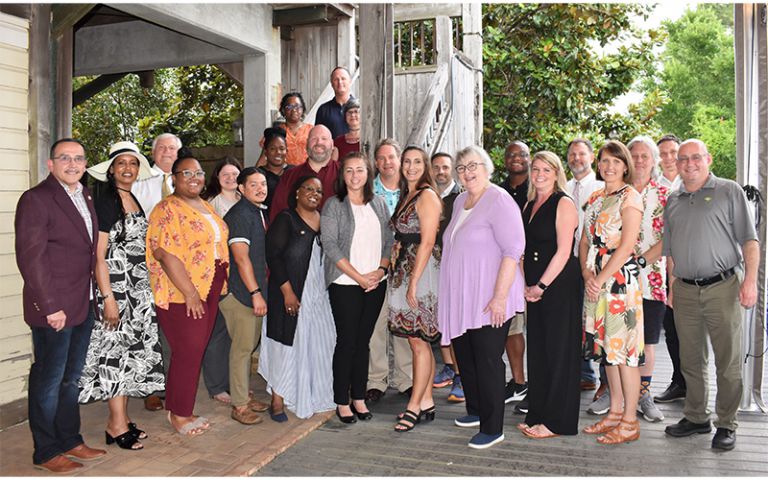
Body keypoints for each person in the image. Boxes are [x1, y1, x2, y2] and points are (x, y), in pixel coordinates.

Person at [663, 139, 759, 451]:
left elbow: (749, 240)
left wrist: (751, 282)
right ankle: (696, 417)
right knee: (690, 360)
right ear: (677, 165)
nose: (689, 164)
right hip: (685, 291)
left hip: (724, 287)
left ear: (708, 159)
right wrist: (671, 286)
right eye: (683, 159)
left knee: (727, 361)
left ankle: (727, 423)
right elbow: (671, 250)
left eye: (695, 158)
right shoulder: (673, 199)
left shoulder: (729, 191)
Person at [15, 138, 105, 473]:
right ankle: (46, 450)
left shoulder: (85, 194)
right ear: (50, 163)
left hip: (82, 303)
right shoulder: (36, 199)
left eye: (78, 158)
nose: (72, 164)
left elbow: (86, 250)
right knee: (48, 381)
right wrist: (50, 306)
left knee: (71, 379)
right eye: (64, 158)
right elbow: (31, 258)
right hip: (53, 309)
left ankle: (70, 440)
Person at [78, 142, 164, 451]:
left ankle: (122, 420)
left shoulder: (133, 199)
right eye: (121, 163)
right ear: (112, 169)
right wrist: (108, 297)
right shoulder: (105, 202)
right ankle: (115, 424)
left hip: (137, 291)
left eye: (133, 163)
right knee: (115, 356)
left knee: (130, 356)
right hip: (116, 290)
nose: (128, 168)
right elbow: (98, 256)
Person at [439, 145, 525, 449]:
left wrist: (500, 297)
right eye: (461, 168)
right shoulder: (461, 199)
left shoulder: (499, 200)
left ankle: (493, 427)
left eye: (473, 165)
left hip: (490, 295)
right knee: (467, 356)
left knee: (488, 360)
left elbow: (513, 251)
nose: (467, 172)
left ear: (487, 167)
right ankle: (475, 410)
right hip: (463, 297)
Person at [146, 148, 230, 436]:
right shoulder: (167, 209)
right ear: (174, 179)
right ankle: (179, 414)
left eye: (198, 173)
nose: (194, 178)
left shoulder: (205, 206)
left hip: (210, 285)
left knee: (194, 351)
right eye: (187, 173)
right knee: (188, 350)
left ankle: (180, 405)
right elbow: (165, 254)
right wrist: (191, 293)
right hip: (182, 290)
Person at [321, 152, 393, 423]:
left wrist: (381, 270)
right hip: (345, 283)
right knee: (347, 341)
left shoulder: (380, 204)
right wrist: (359, 277)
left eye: (360, 170)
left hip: (376, 283)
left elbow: (389, 241)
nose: (354, 176)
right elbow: (330, 245)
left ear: (368, 173)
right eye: (349, 170)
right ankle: (341, 400)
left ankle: (359, 397)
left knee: (363, 343)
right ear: (342, 175)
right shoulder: (333, 205)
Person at [580, 140, 644, 445]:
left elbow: (628, 245)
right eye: (604, 161)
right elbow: (584, 241)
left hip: (619, 283)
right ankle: (615, 413)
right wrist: (586, 272)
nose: (609, 166)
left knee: (624, 354)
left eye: (615, 161)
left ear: (625, 165)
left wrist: (601, 277)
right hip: (597, 281)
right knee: (608, 351)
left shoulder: (630, 197)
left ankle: (630, 421)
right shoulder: (594, 197)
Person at [259, 175, 336, 420]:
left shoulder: (324, 220)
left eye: (319, 190)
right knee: (285, 346)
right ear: (296, 193)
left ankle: (312, 393)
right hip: (289, 292)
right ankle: (278, 399)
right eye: (308, 189)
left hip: (317, 293)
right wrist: (288, 292)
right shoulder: (286, 219)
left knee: (318, 343)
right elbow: (273, 256)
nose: (314, 193)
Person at [516, 151, 581, 439]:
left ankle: (558, 422)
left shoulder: (563, 203)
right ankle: (538, 414)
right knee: (540, 352)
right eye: (535, 169)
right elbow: (521, 248)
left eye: (546, 169)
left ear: (557, 173)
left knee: (559, 353)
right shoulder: (530, 203)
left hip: (557, 286)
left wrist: (540, 286)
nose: (539, 174)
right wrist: (523, 285)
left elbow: (564, 251)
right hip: (533, 289)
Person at [388, 146, 442, 432]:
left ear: (426, 166)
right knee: (416, 340)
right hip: (405, 270)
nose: (410, 166)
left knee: (420, 341)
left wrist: (413, 281)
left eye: (417, 162)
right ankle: (427, 400)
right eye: (407, 162)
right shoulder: (406, 194)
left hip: (421, 273)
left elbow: (428, 240)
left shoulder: (427, 195)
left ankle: (413, 406)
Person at [132, 133, 182, 412]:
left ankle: (172, 383)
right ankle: (151, 388)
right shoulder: (140, 183)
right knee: (148, 327)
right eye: (161, 148)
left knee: (172, 325)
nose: (166, 152)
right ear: (152, 153)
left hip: (180, 267)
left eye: (172, 148)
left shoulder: (186, 180)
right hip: (147, 265)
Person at [220, 167, 271, 425]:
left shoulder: (256, 212)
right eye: (254, 185)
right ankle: (239, 406)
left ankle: (243, 396)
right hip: (241, 294)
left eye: (263, 184)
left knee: (247, 347)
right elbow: (241, 259)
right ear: (241, 188)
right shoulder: (240, 215)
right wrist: (255, 293)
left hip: (251, 292)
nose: (261, 188)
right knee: (241, 350)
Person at [366, 139, 413, 403]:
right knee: (377, 324)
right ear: (376, 162)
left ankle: (405, 379)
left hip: (406, 266)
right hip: (376, 266)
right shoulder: (367, 192)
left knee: (404, 323)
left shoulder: (412, 188)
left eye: (391, 157)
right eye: (381, 158)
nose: (387, 162)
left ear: (399, 159)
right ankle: (377, 380)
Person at [628, 135, 671, 423]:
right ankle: (617, 392)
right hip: (617, 279)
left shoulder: (666, 193)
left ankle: (644, 394)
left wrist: (641, 261)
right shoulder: (618, 191)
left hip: (652, 278)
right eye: (635, 156)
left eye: (645, 156)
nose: (640, 161)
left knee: (648, 341)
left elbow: (670, 236)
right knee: (621, 337)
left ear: (654, 161)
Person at [199, 156, 244, 406]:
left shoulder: (246, 200)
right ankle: (217, 385)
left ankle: (235, 383)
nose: (230, 179)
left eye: (234, 174)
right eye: (225, 174)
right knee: (218, 331)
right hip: (218, 275)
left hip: (242, 275)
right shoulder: (209, 206)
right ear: (217, 178)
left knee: (237, 333)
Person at [565, 138, 606, 398]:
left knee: (598, 318)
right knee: (573, 319)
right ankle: (582, 373)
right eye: (572, 154)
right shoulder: (564, 186)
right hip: (567, 262)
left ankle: (603, 379)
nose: (576, 158)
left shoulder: (603, 187)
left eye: (581, 154)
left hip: (595, 264)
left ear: (591, 158)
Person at [653, 133, 687, 404]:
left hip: (690, 265)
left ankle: (694, 384)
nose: (667, 158)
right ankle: (679, 381)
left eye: (672, 152)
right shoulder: (654, 186)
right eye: (662, 153)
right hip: (661, 267)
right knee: (671, 327)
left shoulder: (692, 182)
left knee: (692, 330)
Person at [497, 141, 529, 409]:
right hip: (509, 268)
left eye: (522, 154)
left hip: (538, 269)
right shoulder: (498, 192)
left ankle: (539, 384)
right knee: (513, 327)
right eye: (511, 155)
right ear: (504, 160)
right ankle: (519, 382)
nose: (516, 159)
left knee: (541, 331)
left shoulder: (539, 187)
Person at [430, 152, 464, 403]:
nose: (441, 171)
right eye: (436, 167)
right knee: (441, 319)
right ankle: (449, 366)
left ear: (452, 170)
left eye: (445, 167)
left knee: (456, 320)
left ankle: (462, 376)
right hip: (432, 265)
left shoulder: (462, 197)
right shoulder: (428, 194)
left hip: (455, 265)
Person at [269, 125, 339, 222]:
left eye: (324, 139)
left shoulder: (344, 174)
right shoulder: (289, 176)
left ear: (332, 144)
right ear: (306, 144)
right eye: (314, 138)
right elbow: (277, 216)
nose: (319, 142)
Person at [315, 66, 355, 138]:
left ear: (350, 81)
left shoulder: (359, 108)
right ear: (331, 84)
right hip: (333, 149)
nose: (340, 82)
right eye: (336, 79)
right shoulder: (323, 110)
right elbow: (319, 136)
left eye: (343, 78)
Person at [259, 128, 292, 210]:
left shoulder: (294, 172)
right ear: (265, 152)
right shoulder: (259, 175)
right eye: (272, 149)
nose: (278, 152)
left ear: (287, 151)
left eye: (282, 149)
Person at [278, 92, 313, 166]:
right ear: (283, 110)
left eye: (297, 106)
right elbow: (264, 157)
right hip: (284, 174)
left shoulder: (312, 130)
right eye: (289, 107)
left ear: (303, 109)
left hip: (307, 172)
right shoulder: (276, 131)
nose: (294, 110)